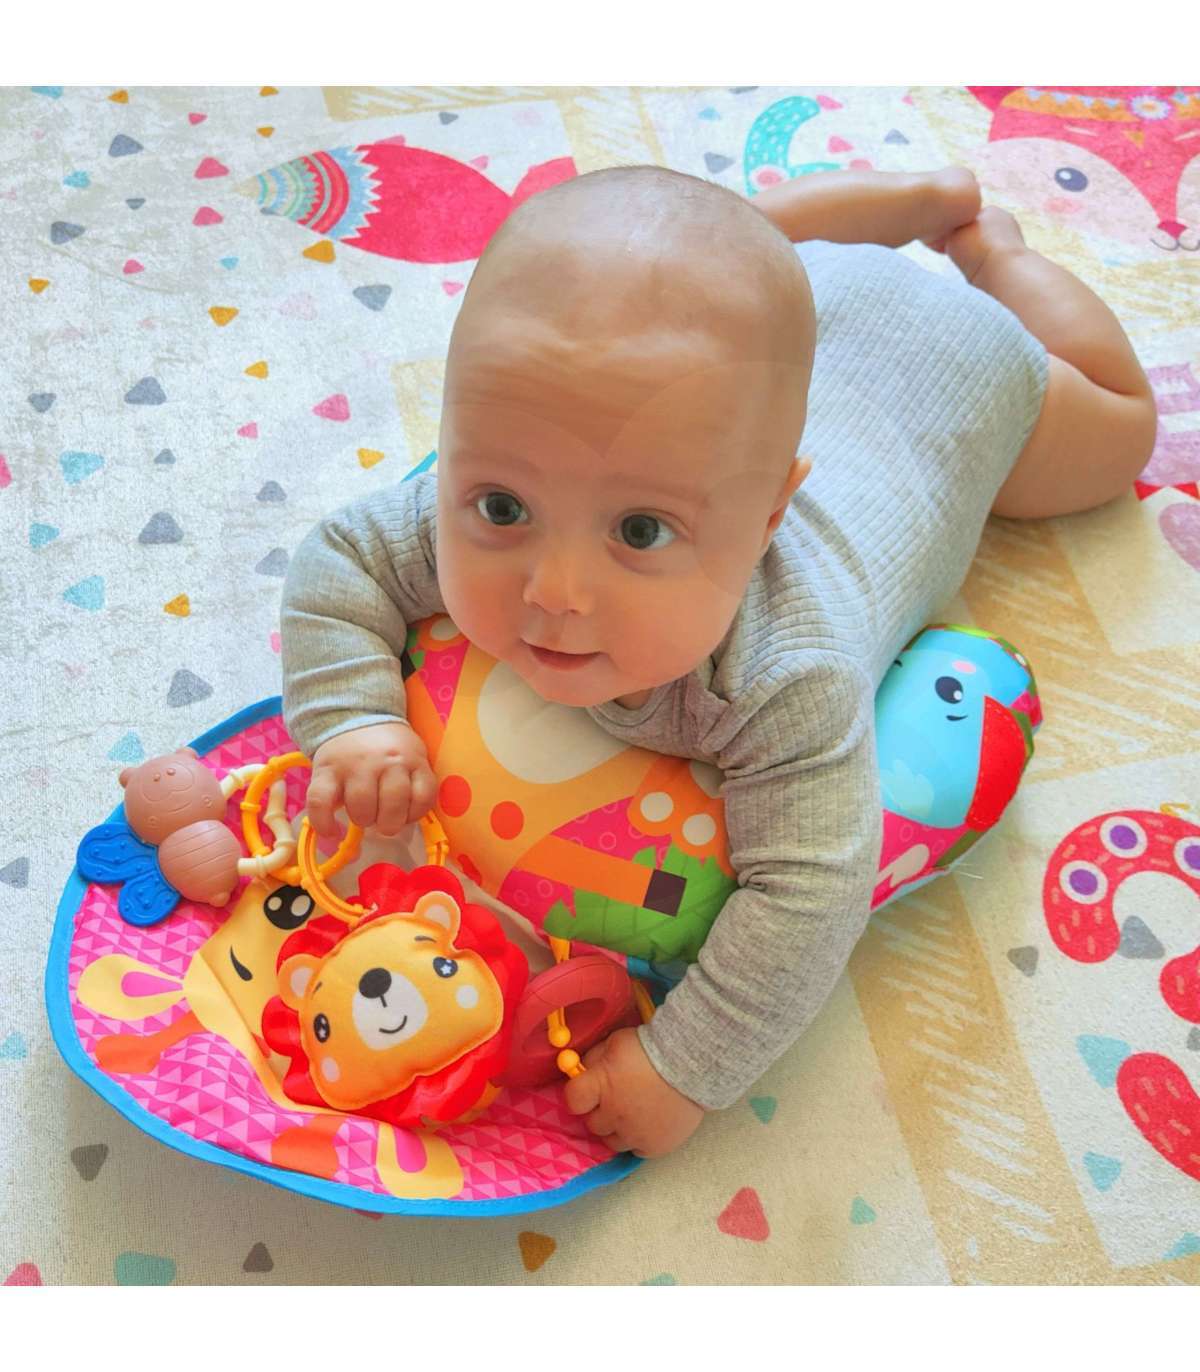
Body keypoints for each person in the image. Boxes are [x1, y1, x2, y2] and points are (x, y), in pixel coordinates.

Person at [279, 163, 1157, 1159]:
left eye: (640, 531)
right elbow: (341, 557)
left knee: (1121, 428)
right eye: (505, 508)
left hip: (961, 372)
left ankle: (989, 245)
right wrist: (355, 718)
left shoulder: (787, 671)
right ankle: (903, 203)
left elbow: (810, 889)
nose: (555, 590)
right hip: (806, 288)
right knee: (692, 249)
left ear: (771, 516)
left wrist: (683, 1067)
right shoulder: (493, 475)